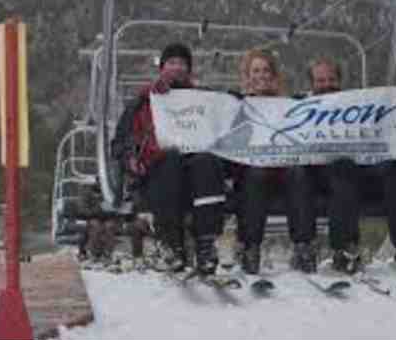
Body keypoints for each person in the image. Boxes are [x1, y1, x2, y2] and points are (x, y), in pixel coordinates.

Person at [290, 57, 396, 274]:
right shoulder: (302, 107)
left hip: (360, 171)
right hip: (323, 177)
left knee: (394, 167)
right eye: (320, 80)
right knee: (342, 167)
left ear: (339, 81)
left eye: (331, 79)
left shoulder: (358, 104)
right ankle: (345, 248)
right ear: (312, 83)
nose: (327, 85)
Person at [111, 42, 226, 275]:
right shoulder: (143, 102)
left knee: (207, 161)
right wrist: (130, 158)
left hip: (193, 170)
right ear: (162, 68)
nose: (177, 68)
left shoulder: (201, 101)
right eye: (172, 62)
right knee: (170, 158)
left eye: (182, 63)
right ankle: (172, 244)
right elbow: (119, 143)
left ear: (189, 70)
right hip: (157, 172)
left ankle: (206, 243)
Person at [229, 49, 291, 275]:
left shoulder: (288, 105)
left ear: (273, 75)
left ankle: (304, 246)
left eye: (266, 70)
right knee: (255, 175)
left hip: (281, 170)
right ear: (248, 76)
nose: (261, 75)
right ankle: (251, 247)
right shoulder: (238, 104)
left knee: (298, 174)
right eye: (256, 71)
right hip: (251, 172)